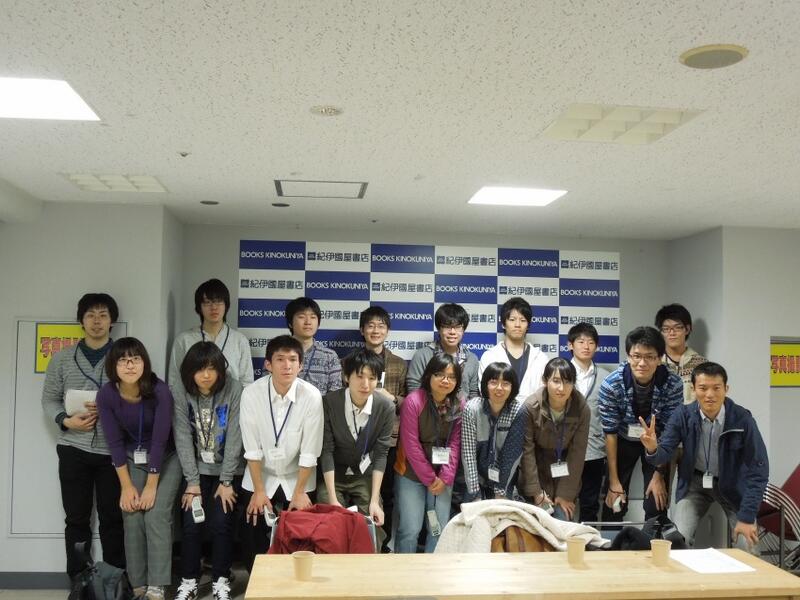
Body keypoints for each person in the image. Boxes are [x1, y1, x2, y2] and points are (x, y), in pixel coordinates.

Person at [40, 293, 125, 580]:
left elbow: (137, 398)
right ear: (81, 321)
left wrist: (111, 409)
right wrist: (66, 421)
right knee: (76, 519)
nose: (97, 321)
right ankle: (79, 581)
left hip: (113, 452)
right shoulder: (62, 358)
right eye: (90, 315)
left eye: (103, 315)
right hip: (73, 449)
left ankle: (115, 581)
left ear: (112, 321)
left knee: (113, 519)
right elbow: (49, 399)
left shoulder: (124, 358)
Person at [641, 362, 768, 551]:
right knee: (678, 540)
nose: (710, 394)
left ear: (726, 389)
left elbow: (759, 470)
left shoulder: (742, 419)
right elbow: (664, 453)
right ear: (693, 389)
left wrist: (747, 516)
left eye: (716, 388)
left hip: (733, 486)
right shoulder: (682, 415)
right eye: (703, 388)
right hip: (694, 484)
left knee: (748, 546)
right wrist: (653, 449)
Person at [96, 338, 182, 600]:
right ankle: (137, 584)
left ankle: (157, 585)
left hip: (166, 458)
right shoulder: (107, 394)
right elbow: (114, 443)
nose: (130, 365)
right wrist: (126, 487)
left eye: (135, 359)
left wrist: (151, 487)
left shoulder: (159, 391)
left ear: (144, 363)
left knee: (155, 516)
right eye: (123, 360)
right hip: (131, 458)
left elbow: (159, 441)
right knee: (131, 513)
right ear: (113, 366)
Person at [239, 335, 324, 570]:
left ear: (301, 365)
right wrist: (259, 490)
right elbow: (252, 449)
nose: (287, 366)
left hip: (298, 476)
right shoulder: (252, 393)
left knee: (299, 537)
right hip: (260, 475)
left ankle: (293, 584)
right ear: (268, 364)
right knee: (252, 530)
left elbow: (310, 451)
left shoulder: (311, 396)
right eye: (280, 359)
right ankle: (256, 581)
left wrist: (299, 492)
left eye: (293, 360)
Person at [172, 342, 243, 600]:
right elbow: (181, 435)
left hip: (228, 470)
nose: (206, 375)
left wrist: (226, 480)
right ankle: (189, 581)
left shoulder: (234, 388)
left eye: (212, 368)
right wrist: (192, 482)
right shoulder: (181, 390)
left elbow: (235, 435)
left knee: (222, 523)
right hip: (196, 470)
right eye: (199, 369)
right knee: (191, 524)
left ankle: (220, 580)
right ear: (189, 371)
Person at [597, 326, 682, 524]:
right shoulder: (611, 385)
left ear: (660, 358)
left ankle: (653, 540)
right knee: (614, 501)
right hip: (622, 440)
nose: (642, 363)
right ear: (628, 356)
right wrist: (614, 481)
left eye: (650, 357)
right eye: (636, 356)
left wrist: (659, 474)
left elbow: (669, 431)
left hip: (657, 442)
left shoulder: (673, 384)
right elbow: (610, 433)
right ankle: (612, 540)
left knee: (656, 501)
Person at [343, 305, 407, 549]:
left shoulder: (399, 364)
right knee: (353, 491)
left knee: (386, 494)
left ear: (388, 331)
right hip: (354, 439)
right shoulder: (348, 363)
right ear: (362, 330)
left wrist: (391, 398)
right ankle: (352, 543)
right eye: (370, 325)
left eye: (381, 326)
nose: (376, 330)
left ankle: (383, 544)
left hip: (388, 439)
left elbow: (409, 402)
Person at [319, 350, 394, 543]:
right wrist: (333, 500)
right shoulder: (329, 402)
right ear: (346, 377)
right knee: (329, 520)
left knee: (372, 523)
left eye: (372, 378)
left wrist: (375, 501)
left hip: (363, 475)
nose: (365, 384)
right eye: (360, 376)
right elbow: (326, 450)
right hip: (334, 475)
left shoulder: (385, 407)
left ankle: (369, 560)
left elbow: (381, 454)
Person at [394, 354, 464, 553]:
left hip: (442, 476)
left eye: (451, 377)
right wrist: (429, 478)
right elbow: (411, 445)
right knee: (410, 529)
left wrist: (445, 477)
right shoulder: (413, 401)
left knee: (438, 529)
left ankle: (433, 570)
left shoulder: (458, 404)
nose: (445, 380)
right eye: (439, 374)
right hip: (410, 473)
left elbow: (455, 443)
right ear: (428, 375)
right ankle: (404, 569)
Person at [519, 357, 590, 520]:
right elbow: (527, 452)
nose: (561, 388)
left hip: (566, 474)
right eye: (556, 381)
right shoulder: (530, 407)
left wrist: (565, 495)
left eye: (567, 382)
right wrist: (536, 492)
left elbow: (577, 454)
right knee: (536, 524)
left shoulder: (581, 408)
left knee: (562, 519)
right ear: (545, 381)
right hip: (536, 472)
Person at [169, 278, 254, 391]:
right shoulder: (184, 340)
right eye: (207, 302)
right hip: (192, 401)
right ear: (199, 307)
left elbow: (247, 384)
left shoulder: (239, 340)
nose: (214, 307)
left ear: (226, 305)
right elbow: (174, 383)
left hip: (231, 401)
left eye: (218, 301)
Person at [567, 322, 612, 522]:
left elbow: (610, 415)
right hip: (564, 449)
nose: (586, 346)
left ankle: (589, 540)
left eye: (591, 342)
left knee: (590, 502)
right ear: (570, 345)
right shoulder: (560, 372)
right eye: (581, 341)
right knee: (563, 500)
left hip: (595, 450)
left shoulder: (606, 377)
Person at [461, 362, 526, 500]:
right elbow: (468, 454)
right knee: (474, 510)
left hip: (505, 479)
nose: (499, 388)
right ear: (485, 384)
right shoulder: (472, 409)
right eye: (494, 382)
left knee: (502, 511)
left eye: (506, 383)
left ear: (513, 387)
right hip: (476, 477)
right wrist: (475, 493)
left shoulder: (518, 411)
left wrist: (500, 491)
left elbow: (511, 456)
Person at [478, 297, 548, 401]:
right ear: (503, 324)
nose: (517, 325)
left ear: (528, 325)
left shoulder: (541, 358)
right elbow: (485, 391)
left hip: (533, 411)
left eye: (523, 320)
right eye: (512, 320)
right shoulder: (490, 356)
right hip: (498, 411)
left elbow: (545, 393)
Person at [407, 302, 479, 399]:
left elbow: (473, 394)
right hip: (428, 408)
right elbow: (414, 390)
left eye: (458, 327)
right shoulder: (422, 355)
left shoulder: (471, 359)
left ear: (463, 330)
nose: (452, 332)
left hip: (463, 409)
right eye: (447, 326)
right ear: (439, 328)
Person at [285, 296, 342, 395]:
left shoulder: (329, 356)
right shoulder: (278, 353)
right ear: (290, 323)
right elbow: (268, 388)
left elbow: (335, 394)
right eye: (301, 317)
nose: (308, 322)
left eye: (313, 317)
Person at [655, 303, 706, 404]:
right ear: (661, 332)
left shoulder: (701, 364)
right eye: (666, 329)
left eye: (677, 327)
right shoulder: (655, 362)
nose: (672, 333)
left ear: (687, 329)